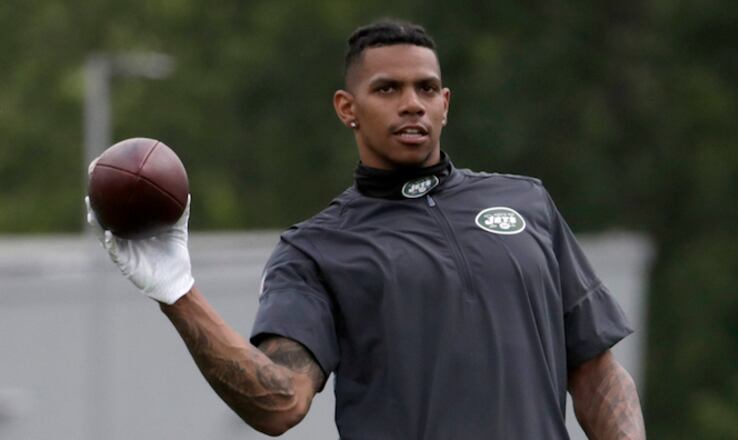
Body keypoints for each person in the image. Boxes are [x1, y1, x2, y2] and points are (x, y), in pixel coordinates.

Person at [87, 20, 646, 439]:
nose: (412, 104)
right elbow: (279, 402)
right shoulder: (314, 250)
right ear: (346, 107)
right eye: (388, 89)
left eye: (427, 89)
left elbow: (595, 369)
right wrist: (176, 292)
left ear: (445, 103)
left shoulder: (527, 204)